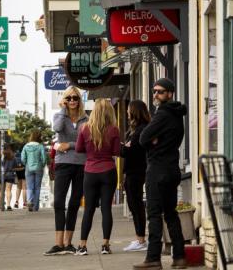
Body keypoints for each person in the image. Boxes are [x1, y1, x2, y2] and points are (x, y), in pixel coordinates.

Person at [134, 78, 188, 269]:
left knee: (154, 214)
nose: (155, 94)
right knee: (171, 214)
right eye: (154, 91)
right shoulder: (177, 115)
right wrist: (154, 139)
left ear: (170, 94)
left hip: (157, 170)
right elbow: (153, 138)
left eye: (160, 91)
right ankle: (179, 257)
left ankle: (153, 258)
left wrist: (153, 140)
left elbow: (142, 138)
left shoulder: (163, 113)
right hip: (172, 169)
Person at [44, 86, 88, 256]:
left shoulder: (86, 119)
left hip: (81, 164)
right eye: (68, 98)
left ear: (79, 100)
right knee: (59, 202)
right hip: (63, 163)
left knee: (75, 203)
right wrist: (62, 109)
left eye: (75, 98)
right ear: (64, 100)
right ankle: (58, 243)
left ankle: (69, 243)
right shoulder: (59, 116)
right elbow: (56, 128)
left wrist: (68, 145)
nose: (72, 101)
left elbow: (85, 144)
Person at [75, 99, 121, 255]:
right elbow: (116, 151)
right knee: (106, 208)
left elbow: (78, 148)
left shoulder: (84, 128)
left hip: (90, 171)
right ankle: (105, 245)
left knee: (88, 209)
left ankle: (82, 246)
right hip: (108, 170)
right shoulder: (114, 130)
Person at [121, 99, 151, 252]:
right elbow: (126, 149)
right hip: (131, 170)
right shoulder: (133, 130)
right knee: (134, 205)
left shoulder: (141, 129)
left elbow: (132, 150)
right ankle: (139, 238)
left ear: (134, 111)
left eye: (128, 109)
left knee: (136, 204)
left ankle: (141, 240)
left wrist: (124, 147)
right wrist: (124, 147)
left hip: (137, 171)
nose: (126, 112)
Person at [21, 130, 48, 211]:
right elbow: (44, 158)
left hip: (28, 168)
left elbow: (23, 158)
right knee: (37, 187)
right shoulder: (40, 146)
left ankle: (29, 201)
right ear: (39, 137)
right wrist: (42, 165)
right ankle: (36, 206)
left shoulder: (26, 146)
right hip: (39, 168)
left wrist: (26, 164)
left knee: (29, 186)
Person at [1, 144, 18, 210]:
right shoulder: (13, 157)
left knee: (2, 190)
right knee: (8, 190)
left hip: (1, 175)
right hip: (10, 174)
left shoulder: (0, 156)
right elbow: (15, 166)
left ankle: (2, 204)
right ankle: (8, 205)